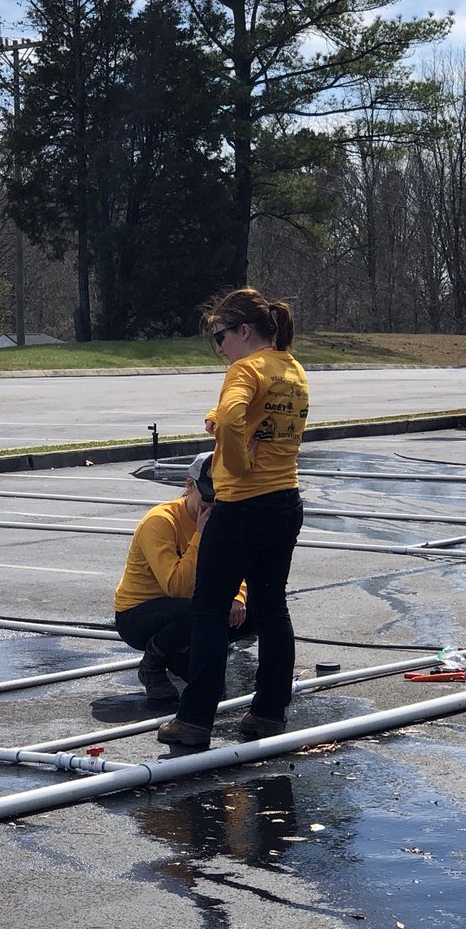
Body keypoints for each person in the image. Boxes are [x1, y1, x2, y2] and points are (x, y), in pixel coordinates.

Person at [157, 286, 309, 749]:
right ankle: (268, 712)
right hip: (286, 499)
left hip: (243, 503)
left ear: (244, 331)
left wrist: (236, 460)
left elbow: (233, 416)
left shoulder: (245, 368)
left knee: (208, 609)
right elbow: (267, 416)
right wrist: (222, 420)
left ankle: (195, 719)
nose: (219, 349)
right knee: (272, 605)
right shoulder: (292, 368)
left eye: (220, 337)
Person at [114, 452, 252, 702]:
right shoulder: (160, 522)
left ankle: (182, 654)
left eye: (219, 499)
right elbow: (176, 586)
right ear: (189, 487)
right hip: (138, 613)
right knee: (196, 611)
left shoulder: (222, 515)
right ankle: (153, 665)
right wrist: (200, 535)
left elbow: (235, 564)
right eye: (207, 498)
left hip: (190, 605)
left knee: (259, 609)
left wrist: (238, 597)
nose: (212, 507)